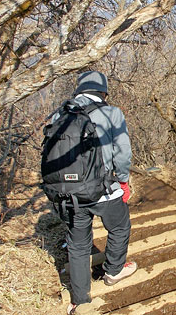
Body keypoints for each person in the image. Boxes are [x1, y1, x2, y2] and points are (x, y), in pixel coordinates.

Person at [49, 71, 137, 315]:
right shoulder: (111, 113)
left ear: (79, 90)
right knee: (119, 227)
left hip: (70, 195)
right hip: (104, 190)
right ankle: (113, 271)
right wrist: (123, 181)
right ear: (103, 92)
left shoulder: (60, 114)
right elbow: (122, 153)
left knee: (78, 246)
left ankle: (80, 300)